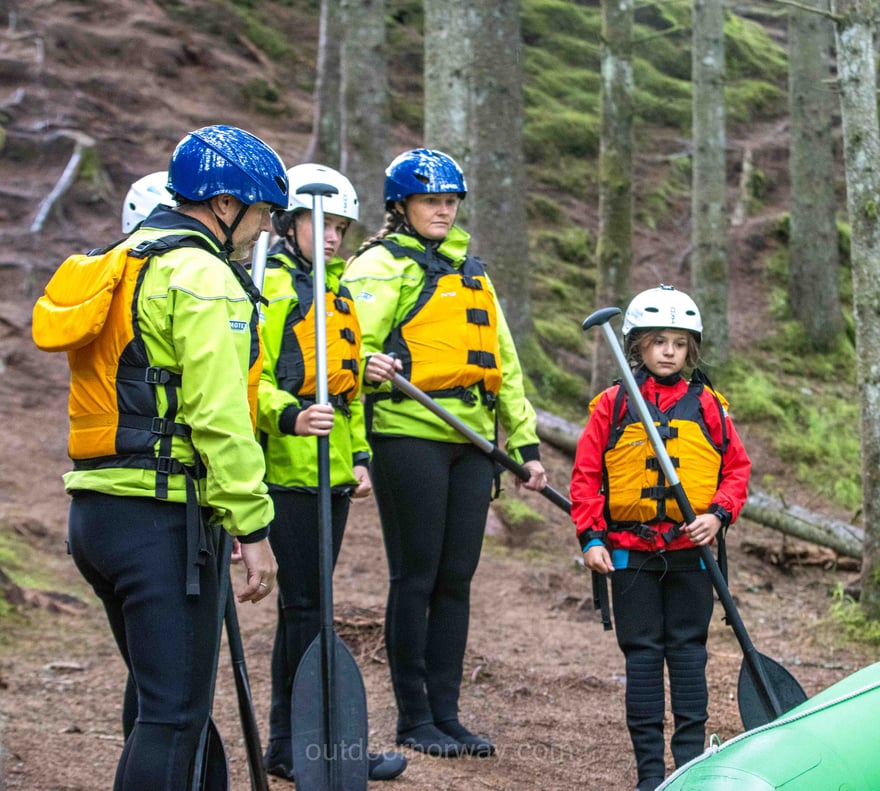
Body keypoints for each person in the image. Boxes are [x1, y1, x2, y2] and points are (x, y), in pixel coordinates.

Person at [42, 125, 287, 790]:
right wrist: (252, 527)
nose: (263, 228)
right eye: (262, 212)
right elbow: (219, 416)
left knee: (161, 703)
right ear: (225, 205)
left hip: (95, 514)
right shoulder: (202, 275)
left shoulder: (123, 259)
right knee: (174, 716)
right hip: (161, 522)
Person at [342, 148, 547, 758]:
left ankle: (447, 714)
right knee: (418, 576)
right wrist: (364, 364)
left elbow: (504, 363)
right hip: (408, 434)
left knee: (456, 579)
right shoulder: (378, 266)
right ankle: (414, 718)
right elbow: (338, 341)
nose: (443, 210)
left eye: (450, 200)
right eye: (431, 200)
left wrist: (526, 440)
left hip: (473, 442)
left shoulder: (472, 272)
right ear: (401, 206)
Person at [255, 163, 407, 782]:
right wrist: (290, 415)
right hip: (287, 472)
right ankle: (294, 740)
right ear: (290, 224)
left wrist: (361, 457)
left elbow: (344, 398)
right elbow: (253, 381)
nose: (333, 237)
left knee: (313, 605)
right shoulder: (272, 289)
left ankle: (309, 737)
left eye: (341, 227)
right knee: (304, 608)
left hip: (333, 473)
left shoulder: (340, 294)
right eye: (321, 225)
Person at [570, 285, 751, 791]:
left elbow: (736, 470)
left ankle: (689, 768)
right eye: (657, 342)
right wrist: (591, 538)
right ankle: (650, 773)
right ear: (638, 346)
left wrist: (718, 515)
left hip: (691, 554)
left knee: (690, 653)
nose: (668, 352)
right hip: (630, 555)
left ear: (690, 348)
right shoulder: (612, 404)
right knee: (644, 656)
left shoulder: (710, 405)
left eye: (677, 342)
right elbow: (585, 477)